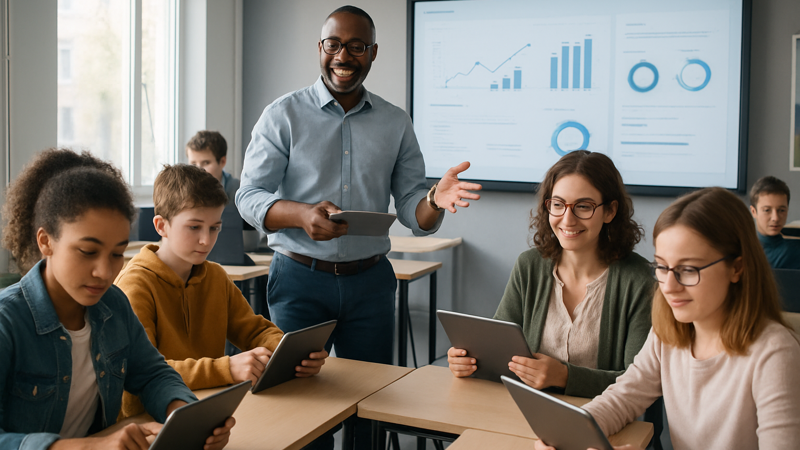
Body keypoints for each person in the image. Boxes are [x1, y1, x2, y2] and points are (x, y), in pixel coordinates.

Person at [236, 5, 480, 366]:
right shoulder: (282, 114)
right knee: (294, 391)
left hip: (370, 284)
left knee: (372, 392)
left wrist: (433, 200)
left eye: (356, 47)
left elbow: (413, 209)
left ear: (373, 52)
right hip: (299, 279)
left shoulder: (395, 122)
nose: (343, 56)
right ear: (320, 47)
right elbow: (248, 196)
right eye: (333, 44)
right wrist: (301, 215)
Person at [0, 149, 234, 449]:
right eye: (88, 251)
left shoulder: (114, 306)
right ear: (46, 241)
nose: (104, 272)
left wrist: (187, 418)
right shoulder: (8, 323)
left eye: (116, 254)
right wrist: (92, 447)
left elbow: (153, 374)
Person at [536, 187, 800, 450]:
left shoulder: (775, 353)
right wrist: (567, 434)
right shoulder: (669, 332)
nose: (669, 287)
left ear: (737, 268)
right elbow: (624, 397)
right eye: (662, 267)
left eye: (688, 269)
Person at [115, 164, 327, 418]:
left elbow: (255, 330)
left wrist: (292, 355)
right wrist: (226, 368)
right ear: (161, 226)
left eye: (214, 227)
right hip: (147, 421)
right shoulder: (135, 285)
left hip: (207, 410)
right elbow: (143, 374)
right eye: (194, 227)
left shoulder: (215, 276)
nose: (206, 240)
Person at [448, 151, 654, 398]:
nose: (567, 219)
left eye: (583, 207)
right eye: (558, 204)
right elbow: (498, 349)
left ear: (610, 211)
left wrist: (565, 377)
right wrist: (469, 360)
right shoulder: (529, 266)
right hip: (527, 408)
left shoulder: (639, 280)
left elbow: (639, 382)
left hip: (603, 415)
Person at [749, 175, 800, 269]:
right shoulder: (742, 250)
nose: (775, 218)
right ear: (753, 212)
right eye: (767, 210)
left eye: (782, 210)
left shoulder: (795, 250)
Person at [186, 130, 239, 204]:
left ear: (222, 162)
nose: (198, 170)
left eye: (206, 163)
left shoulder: (239, 192)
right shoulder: (182, 194)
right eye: (193, 164)